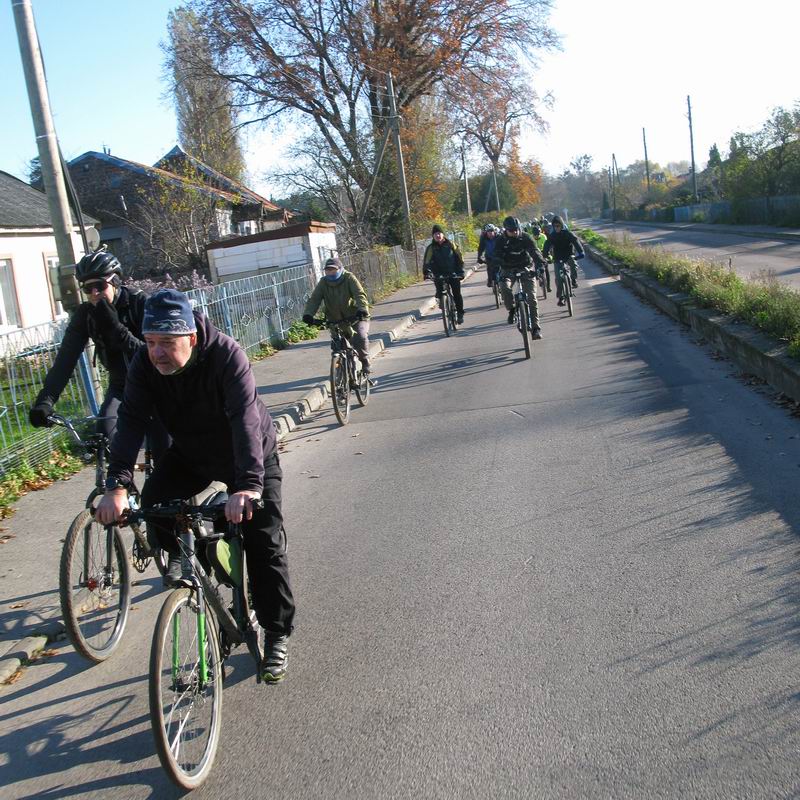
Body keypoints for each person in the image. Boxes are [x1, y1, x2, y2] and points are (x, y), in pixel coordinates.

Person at [95, 289, 295, 683]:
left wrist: (248, 485)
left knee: (263, 543)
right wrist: (117, 484)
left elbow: (244, 420)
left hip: (249, 456)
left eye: (167, 343)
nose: (157, 353)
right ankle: (203, 578)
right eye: (151, 343)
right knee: (155, 503)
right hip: (193, 454)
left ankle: (276, 633)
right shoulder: (144, 364)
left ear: (191, 337)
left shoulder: (226, 354)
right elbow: (131, 420)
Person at [28, 249, 168, 458]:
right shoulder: (86, 315)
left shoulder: (141, 304)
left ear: (115, 282)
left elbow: (156, 354)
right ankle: (118, 488)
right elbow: (65, 360)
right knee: (106, 441)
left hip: (158, 384)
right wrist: (45, 400)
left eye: (100, 286)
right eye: (87, 288)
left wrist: (117, 330)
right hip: (122, 387)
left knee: (164, 452)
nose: (94, 293)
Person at [302, 257, 373, 377]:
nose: (330, 273)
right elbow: (315, 299)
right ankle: (341, 376)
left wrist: (362, 310)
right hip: (335, 320)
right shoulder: (323, 282)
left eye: (333, 270)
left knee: (360, 338)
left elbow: (359, 295)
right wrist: (308, 314)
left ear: (340, 269)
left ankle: (365, 362)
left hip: (355, 317)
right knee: (337, 346)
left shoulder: (349, 278)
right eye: (328, 270)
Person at [494, 216, 546, 339]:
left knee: (532, 298)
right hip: (507, 269)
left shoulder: (525, 237)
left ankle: (536, 328)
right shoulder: (501, 240)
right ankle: (512, 310)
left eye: (516, 229)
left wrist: (540, 266)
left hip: (525, 267)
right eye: (511, 230)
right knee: (504, 287)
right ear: (506, 230)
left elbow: (535, 252)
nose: (515, 232)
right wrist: (497, 265)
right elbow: (496, 255)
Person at [423, 224, 466, 324]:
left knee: (457, 294)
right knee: (439, 291)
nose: (437, 235)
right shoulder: (431, 248)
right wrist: (427, 272)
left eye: (439, 233)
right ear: (433, 236)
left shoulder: (451, 244)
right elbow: (427, 262)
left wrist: (461, 271)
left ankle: (460, 313)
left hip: (453, 273)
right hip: (438, 274)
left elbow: (459, 258)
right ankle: (442, 300)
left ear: (443, 234)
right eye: (435, 234)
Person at [542, 215, 585, 306]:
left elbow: (576, 241)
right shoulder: (552, 236)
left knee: (573, 264)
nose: (556, 228)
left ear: (562, 225)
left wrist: (581, 252)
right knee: (558, 279)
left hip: (569, 255)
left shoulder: (568, 233)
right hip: (558, 258)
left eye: (558, 226)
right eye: (555, 226)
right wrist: (545, 256)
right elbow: (547, 245)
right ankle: (561, 297)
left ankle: (573, 280)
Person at [477, 224, 501, 288]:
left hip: (499, 256)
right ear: (486, 232)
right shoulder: (483, 238)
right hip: (489, 256)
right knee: (490, 269)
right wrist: (479, 257)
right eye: (488, 231)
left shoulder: (499, 237)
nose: (490, 233)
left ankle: (503, 281)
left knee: (501, 269)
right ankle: (490, 281)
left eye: (492, 231)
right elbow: (481, 248)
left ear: (494, 231)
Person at [531, 224, 552, 294]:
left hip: (543, 253)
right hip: (535, 254)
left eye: (537, 234)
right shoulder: (531, 238)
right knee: (536, 266)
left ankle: (548, 286)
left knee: (546, 269)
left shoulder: (543, 236)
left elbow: (547, 246)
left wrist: (548, 255)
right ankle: (539, 278)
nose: (536, 236)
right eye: (535, 234)